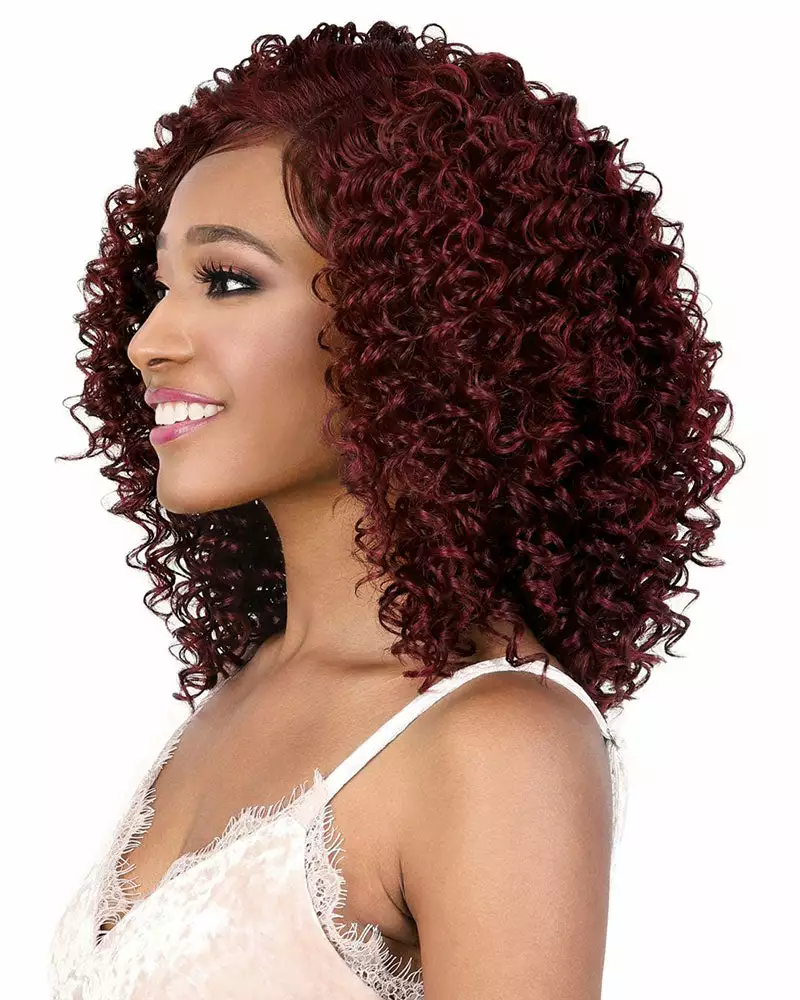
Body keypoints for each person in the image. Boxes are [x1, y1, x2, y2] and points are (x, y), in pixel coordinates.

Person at [48, 19, 743, 1000]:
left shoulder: (498, 741)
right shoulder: (242, 692)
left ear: (419, 323)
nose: (147, 341)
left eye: (227, 281)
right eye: (161, 287)